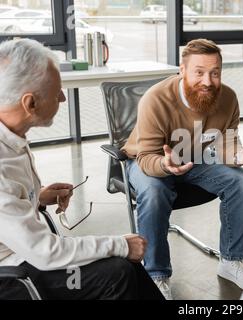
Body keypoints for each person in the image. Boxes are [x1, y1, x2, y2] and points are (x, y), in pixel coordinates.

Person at [0, 38, 163, 300]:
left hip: (20, 249)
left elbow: (6, 201)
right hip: (12, 274)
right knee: (118, 272)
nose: (63, 97)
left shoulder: (10, 135)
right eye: (56, 92)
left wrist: (36, 195)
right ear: (29, 103)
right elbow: (44, 251)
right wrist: (119, 244)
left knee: (125, 265)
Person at [122, 39, 243, 299]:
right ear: (182, 70)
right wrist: (166, 164)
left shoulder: (227, 98)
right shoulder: (156, 99)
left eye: (215, 73)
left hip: (194, 158)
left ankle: (231, 261)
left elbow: (227, 146)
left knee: (239, 180)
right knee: (153, 191)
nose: (207, 81)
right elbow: (146, 158)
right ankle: (156, 274)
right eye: (199, 72)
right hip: (149, 161)